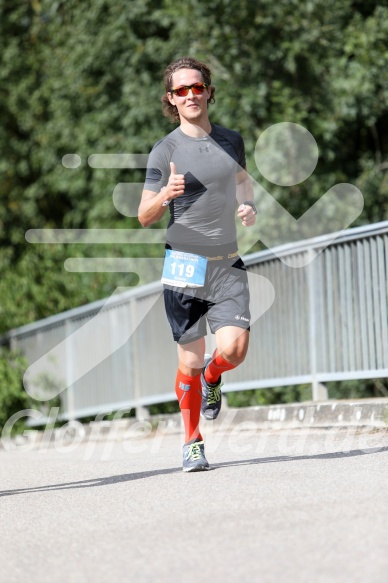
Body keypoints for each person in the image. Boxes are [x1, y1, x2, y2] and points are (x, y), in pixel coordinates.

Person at [138, 57, 257, 472]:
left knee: (234, 350)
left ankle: (212, 378)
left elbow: (243, 180)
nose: (191, 95)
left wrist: (248, 205)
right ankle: (192, 440)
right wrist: (164, 195)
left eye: (197, 87)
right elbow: (143, 215)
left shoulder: (231, 140)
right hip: (185, 266)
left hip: (226, 263)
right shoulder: (164, 150)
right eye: (181, 90)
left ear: (208, 91)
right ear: (171, 99)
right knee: (188, 360)